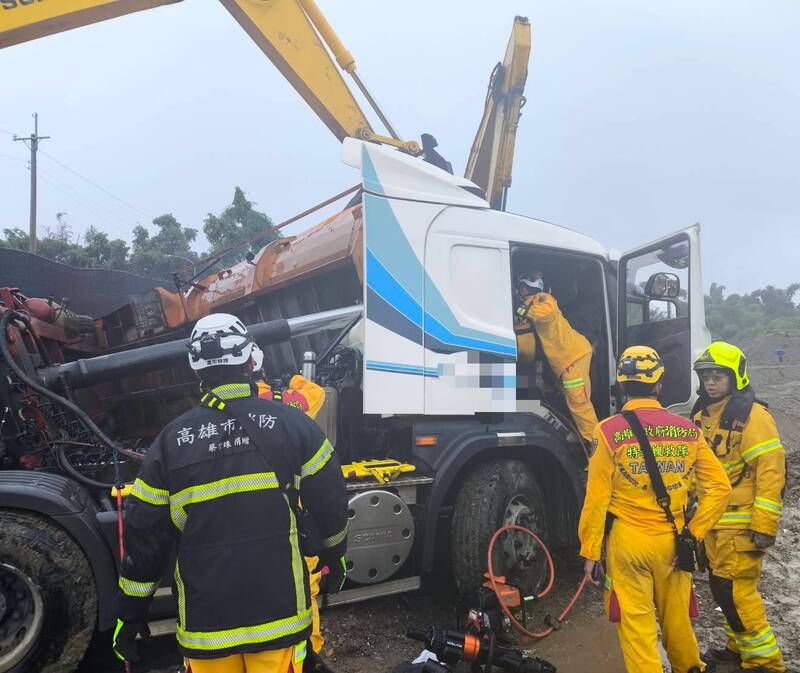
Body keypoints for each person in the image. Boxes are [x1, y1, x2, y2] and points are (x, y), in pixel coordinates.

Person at [112, 313, 348, 673]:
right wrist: (337, 553)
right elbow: (330, 500)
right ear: (251, 360)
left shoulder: (171, 442)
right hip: (279, 620)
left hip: (207, 632)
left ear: (196, 369)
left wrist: (130, 614)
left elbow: (145, 537)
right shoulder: (292, 424)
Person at [578, 345, 731, 673]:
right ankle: (690, 667)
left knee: (637, 629)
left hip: (628, 543)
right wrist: (694, 534)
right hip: (674, 542)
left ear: (621, 385)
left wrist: (590, 552)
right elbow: (720, 489)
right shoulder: (689, 432)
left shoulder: (607, 432)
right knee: (677, 623)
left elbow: (596, 499)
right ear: (659, 384)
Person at [692, 342, 786, 672]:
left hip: (742, 526)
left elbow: (771, 471)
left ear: (736, 377)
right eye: (705, 377)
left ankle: (765, 662)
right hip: (714, 525)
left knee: (737, 593)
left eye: (718, 376)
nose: (710, 383)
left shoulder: (753, 416)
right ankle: (739, 650)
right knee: (724, 592)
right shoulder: (701, 416)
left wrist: (764, 525)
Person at [249, 345, 333, 670]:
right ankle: (307, 655)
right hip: (289, 523)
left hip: (244, 523)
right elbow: (315, 393)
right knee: (304, 592)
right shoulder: (289, 403)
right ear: (261, 370)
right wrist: (294, 378)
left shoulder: (218, 410)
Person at [515, 271, 598, 442]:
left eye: (520, 288)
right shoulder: (529, 304)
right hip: (565, 359)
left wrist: (520, 308)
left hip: (573, 355)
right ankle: (580, 436)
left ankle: (595, 445)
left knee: (579, 403)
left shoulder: (542, 298)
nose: (519, 291)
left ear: (527, 287)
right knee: (569, 400)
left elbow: (545, 314)